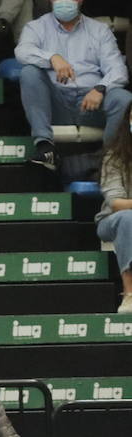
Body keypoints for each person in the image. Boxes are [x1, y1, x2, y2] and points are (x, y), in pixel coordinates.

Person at [17, 0, 132, 170]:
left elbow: (118, 69)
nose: (64, 0)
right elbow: (22, 52)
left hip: (91, 104)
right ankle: (46, 148)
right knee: (29, 72)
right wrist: (52, 57)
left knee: (123, 98)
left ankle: (109, 162)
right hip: (55, 103)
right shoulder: (36, 27)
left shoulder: (99, 30)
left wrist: (101, 88)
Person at [94, 101, 132, 313]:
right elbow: (116, 203)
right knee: (128, 218)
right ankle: (130, 295)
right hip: (113, 221)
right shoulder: (115, 155)